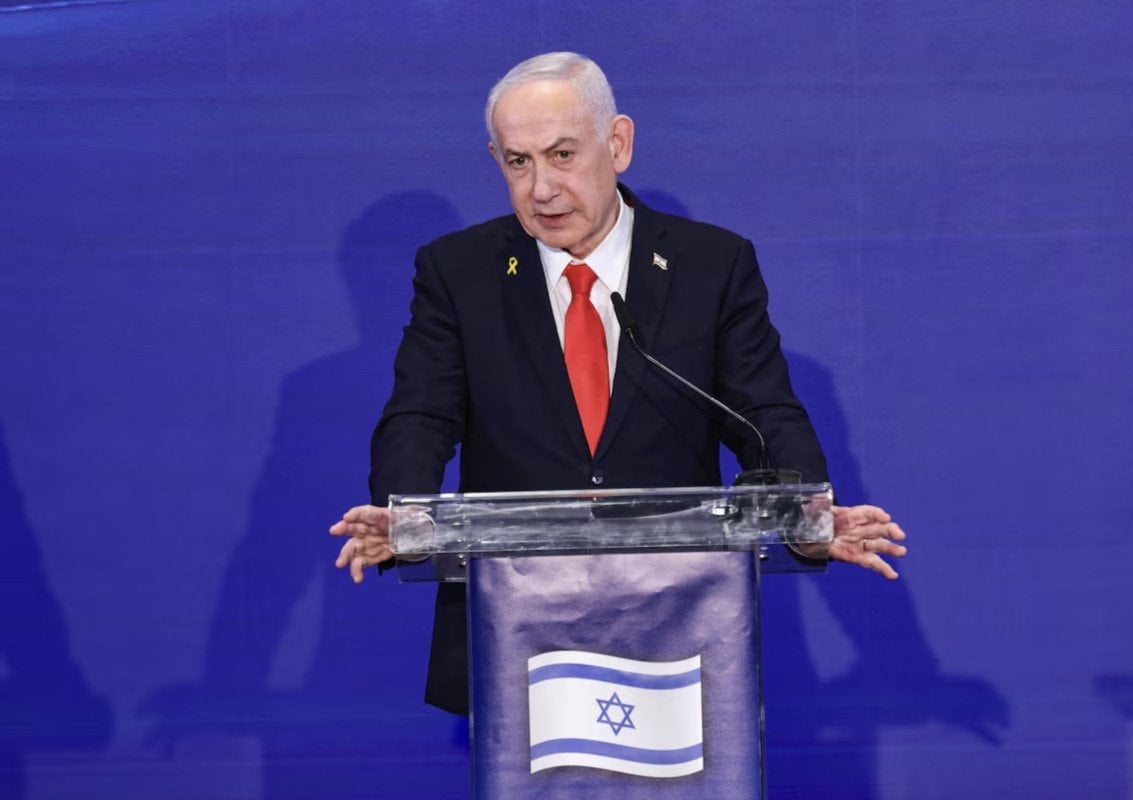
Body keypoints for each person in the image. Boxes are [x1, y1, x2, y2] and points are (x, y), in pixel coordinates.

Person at [330, 52, 907, 715]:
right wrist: (404, 511)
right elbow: (421, 415)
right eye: (518, 162)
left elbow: (764, 413)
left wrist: (804, 514)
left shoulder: (711, 265)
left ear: (618, 143)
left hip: (678, 623)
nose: (541, 188)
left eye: (562, 155)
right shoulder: (459, 273)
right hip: (515, 627)